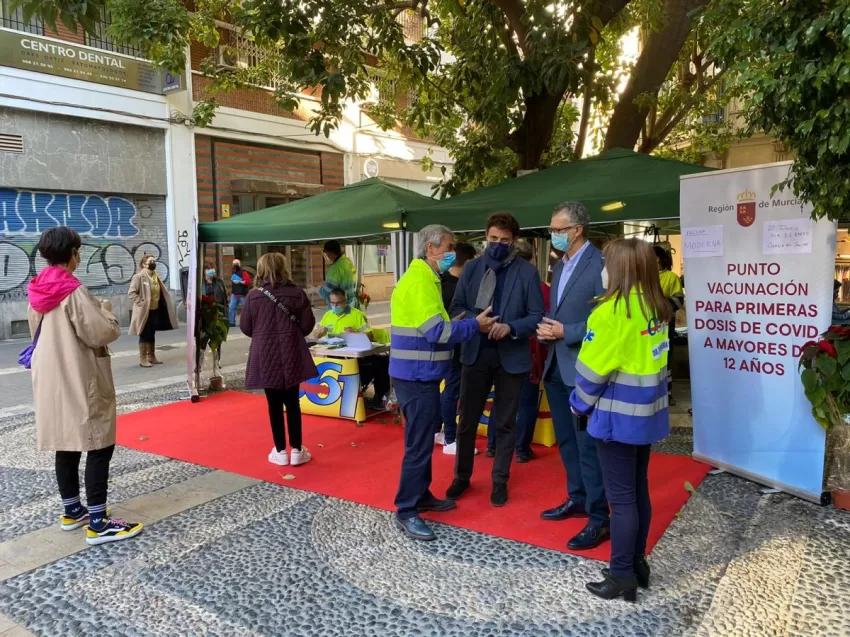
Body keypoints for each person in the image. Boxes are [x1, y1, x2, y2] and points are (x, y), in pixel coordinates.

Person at [27, 227, 143, 546]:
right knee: (99, 442)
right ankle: (98, 522)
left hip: (51, 377)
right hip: (79, 374)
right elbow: (99, 333)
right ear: (73, 253)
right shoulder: (73, 290)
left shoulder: (36, 289)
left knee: (66, 441)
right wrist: (107, 313)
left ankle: (72, 510)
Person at [571, 238, 672, 602]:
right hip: (646, 416)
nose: (602, 269)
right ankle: (636, 563)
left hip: (616, 419)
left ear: (618, 269)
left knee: (622, 499)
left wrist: (578, 405)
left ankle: (621, 575)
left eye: (606, 262)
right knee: (638, 491)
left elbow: (591, 373)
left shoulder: (611, 313)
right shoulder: (655, 306)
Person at [390, 224, 497, 541]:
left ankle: (420, 495)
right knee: (418, 446)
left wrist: (460, 323)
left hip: (420, 375)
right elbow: (436, 332)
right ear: (430, 248)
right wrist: (474, 326)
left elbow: (433, 326)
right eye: (449, 247)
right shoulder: (420, 282)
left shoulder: (425, 279)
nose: (453, 252)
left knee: (422, 441)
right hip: (417, 377)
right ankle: (407, 509)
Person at [447, 212, 545, 507]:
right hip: (475, 352)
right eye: (493, 238)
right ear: (485, 236)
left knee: (504, 423)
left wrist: (511, 327)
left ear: (514, 240)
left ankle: (500, 480)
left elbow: (537, 316)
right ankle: (462, 476)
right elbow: (456, 307)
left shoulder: (527, 272)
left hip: (511, 355)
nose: (498, 244)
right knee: (467, 422)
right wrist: (476, 323)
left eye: (504, 240)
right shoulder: (472, 268)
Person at [537, 201, 610, 551]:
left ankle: (599, 517)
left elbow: (607, 318)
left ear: (577, 230)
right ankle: (577, 497)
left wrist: (568, 331)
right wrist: (547, 330)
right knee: (566, 440)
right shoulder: (559, 264)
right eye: (552, 229)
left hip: (582, 366)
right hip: (555, 363)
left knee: (587, 445)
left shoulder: (601, 264)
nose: (553, 235)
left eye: (558, 229)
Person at [240, 253, 318, 467]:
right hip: (291, 352)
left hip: (265, 355)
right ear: (284, 268)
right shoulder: (297, 293)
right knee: (293, 402)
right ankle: (297, 450)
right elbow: (307, 326)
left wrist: (263, 333)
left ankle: (280, 451)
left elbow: (246, 327)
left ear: (261, 270)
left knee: (273, 404)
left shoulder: (254, 296)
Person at [486, 240, 551, 463]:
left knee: (501, 399)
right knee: (526, 401)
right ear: (532, 259)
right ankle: (521, 448)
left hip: (502, 347)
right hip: (530, 349)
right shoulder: (541, 287)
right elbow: (544, 319)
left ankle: (493, 444)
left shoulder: (499, 282)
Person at [316, 287, 390, 410]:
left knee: (382, 363)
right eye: (332, 303)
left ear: (345, 301)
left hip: (356, 358)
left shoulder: (357, 315)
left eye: (338, 303)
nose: (335, 306)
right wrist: (319, 333)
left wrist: (355, 333)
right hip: (334, 358)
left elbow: (370, 336)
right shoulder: (328, 315)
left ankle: (379, 399)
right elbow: (316, 335)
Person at [437, 241, 478, 454]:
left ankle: (438, 431)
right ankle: (450, 439)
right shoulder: (455, 287)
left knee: (448, 390)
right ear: (467, 262)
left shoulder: (440, 282)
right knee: (453, 390)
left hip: (445, 345)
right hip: (456, 346)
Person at [129, 253, 179, 368]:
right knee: (144, 333)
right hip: (145, 310)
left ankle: (151, 356)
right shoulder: (139, 277)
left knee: (151, 333)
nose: (153, 263)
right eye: (151, 261)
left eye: (154, 261)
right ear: (144, 264)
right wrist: (141, 303)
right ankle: (143, 359)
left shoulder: (155, 275)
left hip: (155, 309)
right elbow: (131, 293)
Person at [654, 245, 684, 405]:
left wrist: (660, 305)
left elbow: (679, 300)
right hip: (647, 326)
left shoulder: (671, 277)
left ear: (658, 259)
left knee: (665, 356)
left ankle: (667, 392)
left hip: (665, 324)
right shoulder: (643, 276)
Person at [320, 240, 358, 308]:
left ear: (330, 253)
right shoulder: (348, 262)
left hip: (338, 306)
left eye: (327, 254)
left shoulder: (335, 268)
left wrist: (317, 289)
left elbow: (327, 292)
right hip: (351, 305)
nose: (327, 257)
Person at [228, 259, 252, 326]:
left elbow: (248, 282)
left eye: (236, 264)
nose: (235, 265)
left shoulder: (243, 272)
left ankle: (248, 322)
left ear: (239, 264)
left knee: (246, 309)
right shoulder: (233, 272)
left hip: (242, 294)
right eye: (234, 264)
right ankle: (231, 322)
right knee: (231, 308)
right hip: (235, 293)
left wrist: (239, 282)